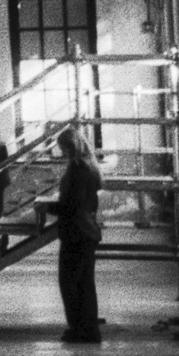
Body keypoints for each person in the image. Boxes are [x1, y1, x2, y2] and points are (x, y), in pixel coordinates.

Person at [56, 126, 104, 344]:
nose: (62, 152)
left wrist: (47, 209)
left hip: (76, 231)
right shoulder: (91, 166)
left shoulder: (77, 168)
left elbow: (71, 205)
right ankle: (89, 329)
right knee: (85, 283)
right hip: (87, 230)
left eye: (63, 148)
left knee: (70, 283)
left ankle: (78, 329)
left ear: (69, 146)